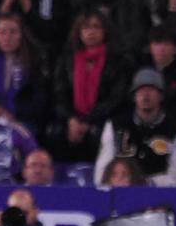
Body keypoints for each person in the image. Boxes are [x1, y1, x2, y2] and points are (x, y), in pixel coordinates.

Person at [51, 9, 134, 162]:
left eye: (96, 27)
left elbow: (116, 99)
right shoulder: (66, 60)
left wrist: (89, 121)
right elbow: (60, 94)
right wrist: (72, 119)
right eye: (86, 27)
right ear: (79, 32)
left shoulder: (119, 61)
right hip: (73, 118)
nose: (91, 31)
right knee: (54, 132)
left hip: (104, 118)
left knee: (101, 133)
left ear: (105, 31)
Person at [94, 68, 176, 187]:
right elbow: (102, 173)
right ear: (134, 95)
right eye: (141, 90)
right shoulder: (115, 125)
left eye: (151, 89)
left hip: (158, 197)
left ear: (161, 95)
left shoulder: (174, 129)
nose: (145, 94)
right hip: (120, 193)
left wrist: (144, 183)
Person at [0, 12, 51, 138]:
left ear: (21, 35)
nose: (7, 37)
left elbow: (39, 101)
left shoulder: (34, 62)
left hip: (23, 121)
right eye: (2, 32)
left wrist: (15, 115)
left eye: (13, 32)